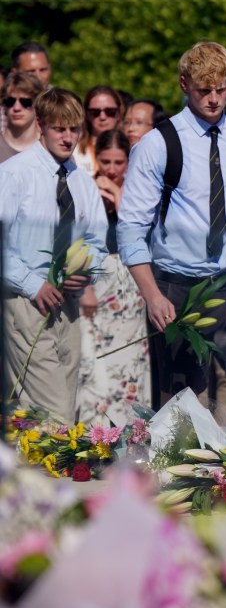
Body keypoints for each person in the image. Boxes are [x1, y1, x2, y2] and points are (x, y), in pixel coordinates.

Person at [118, 41, 226, 450]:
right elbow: (131, 228)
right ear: (184, 84)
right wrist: (151, 294)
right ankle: (183, 503)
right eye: (204, 89)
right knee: (185, 408)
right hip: (181, 286)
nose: (213, 98)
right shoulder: (157, 143)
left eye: (221, 89)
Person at [0, 87, 108, 421]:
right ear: (41, 126)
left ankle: (24, 469)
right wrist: (32, 284)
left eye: (74, 129)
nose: (67, 137)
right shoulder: (15, 173)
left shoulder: (80, 180)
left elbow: (98, 241)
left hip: (68, 301)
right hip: (25, 300)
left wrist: (85, 270)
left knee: (52, 398)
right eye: (59, 128)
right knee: (56, 409)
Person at [76, 129, 151, 423]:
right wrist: (84, 288)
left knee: (130, 362)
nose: (110, 169)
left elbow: (140, 236)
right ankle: (93, 434)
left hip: (130, 285)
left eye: (118, 162)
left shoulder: (137, 192)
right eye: (105, 161)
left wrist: (119, 197)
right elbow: (76, 240)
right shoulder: (84, 187)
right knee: (94, 362)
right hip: (96, 278)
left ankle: (130, 436)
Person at [74, 85, 124, 176]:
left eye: (110, 111)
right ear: (87, 114)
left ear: (118, 114)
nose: (102, 117)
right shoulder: (73, 151)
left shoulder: (132, 151)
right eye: (95, 112)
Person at [0, 73, 43, 163]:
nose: (17, 108)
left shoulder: (51, 149)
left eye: (25, 102)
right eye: (10, 101)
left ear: (38, 104)